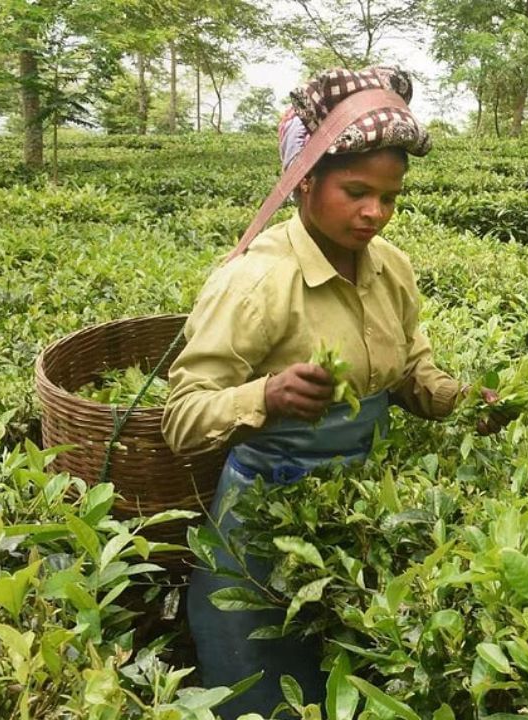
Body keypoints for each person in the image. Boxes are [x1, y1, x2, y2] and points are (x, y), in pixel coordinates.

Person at [162, 66, 505, 719]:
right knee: (270, 696)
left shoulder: (392, 267)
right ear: (304, 183)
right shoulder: (256, 281)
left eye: (390, 196)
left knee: (351, 687)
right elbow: (180, 418)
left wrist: (463, 400)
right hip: (261, 534)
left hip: (355, 525)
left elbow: (411, 371)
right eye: (355, 192)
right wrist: (265, 395)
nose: (375, 212)